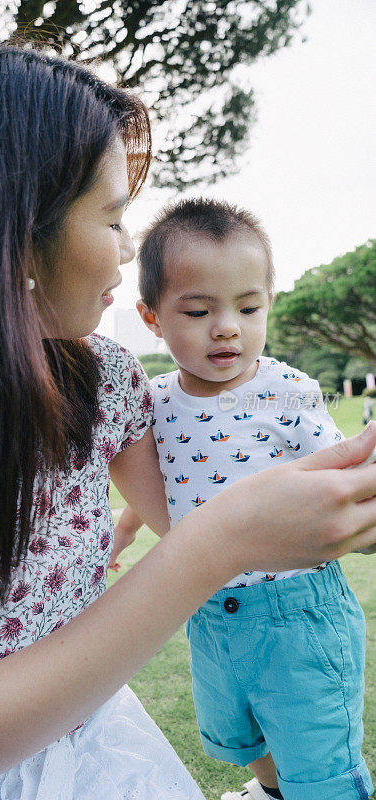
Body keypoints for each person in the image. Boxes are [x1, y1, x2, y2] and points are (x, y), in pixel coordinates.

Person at [0, 44, 375, 800]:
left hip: (92, 744)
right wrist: (218, 541)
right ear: (17, 233)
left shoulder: (100, 379)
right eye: (114, 217)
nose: (129, 249)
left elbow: (192, 502)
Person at [113, 198, 374, 800]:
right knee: (240, 738)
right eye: (200, 310)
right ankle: (273, 790)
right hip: (209, 607)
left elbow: (347, 469)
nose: (227, 325)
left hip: (296, 608)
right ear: (152, 318)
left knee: (320, 757)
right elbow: (171, 483)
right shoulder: (156, 401)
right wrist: (124, 531)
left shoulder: (284, 391)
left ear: (267, 307)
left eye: (248, 307)